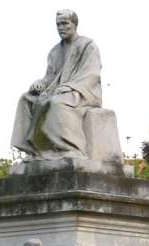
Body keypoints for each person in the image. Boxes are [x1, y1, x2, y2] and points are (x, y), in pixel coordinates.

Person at [11, 9, 102, 159]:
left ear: (74, 24)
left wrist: (69, 86)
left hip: (82, 91)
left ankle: (70, 148)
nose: (61, 27)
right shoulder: (54, 51)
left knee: (56, 103)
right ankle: (37, 150)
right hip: (57, 90)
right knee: (27, 99)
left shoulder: (88, 45)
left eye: (64, 23)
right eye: (58, 24)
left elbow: (91, 74)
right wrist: (39, 84)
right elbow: (50, 77)